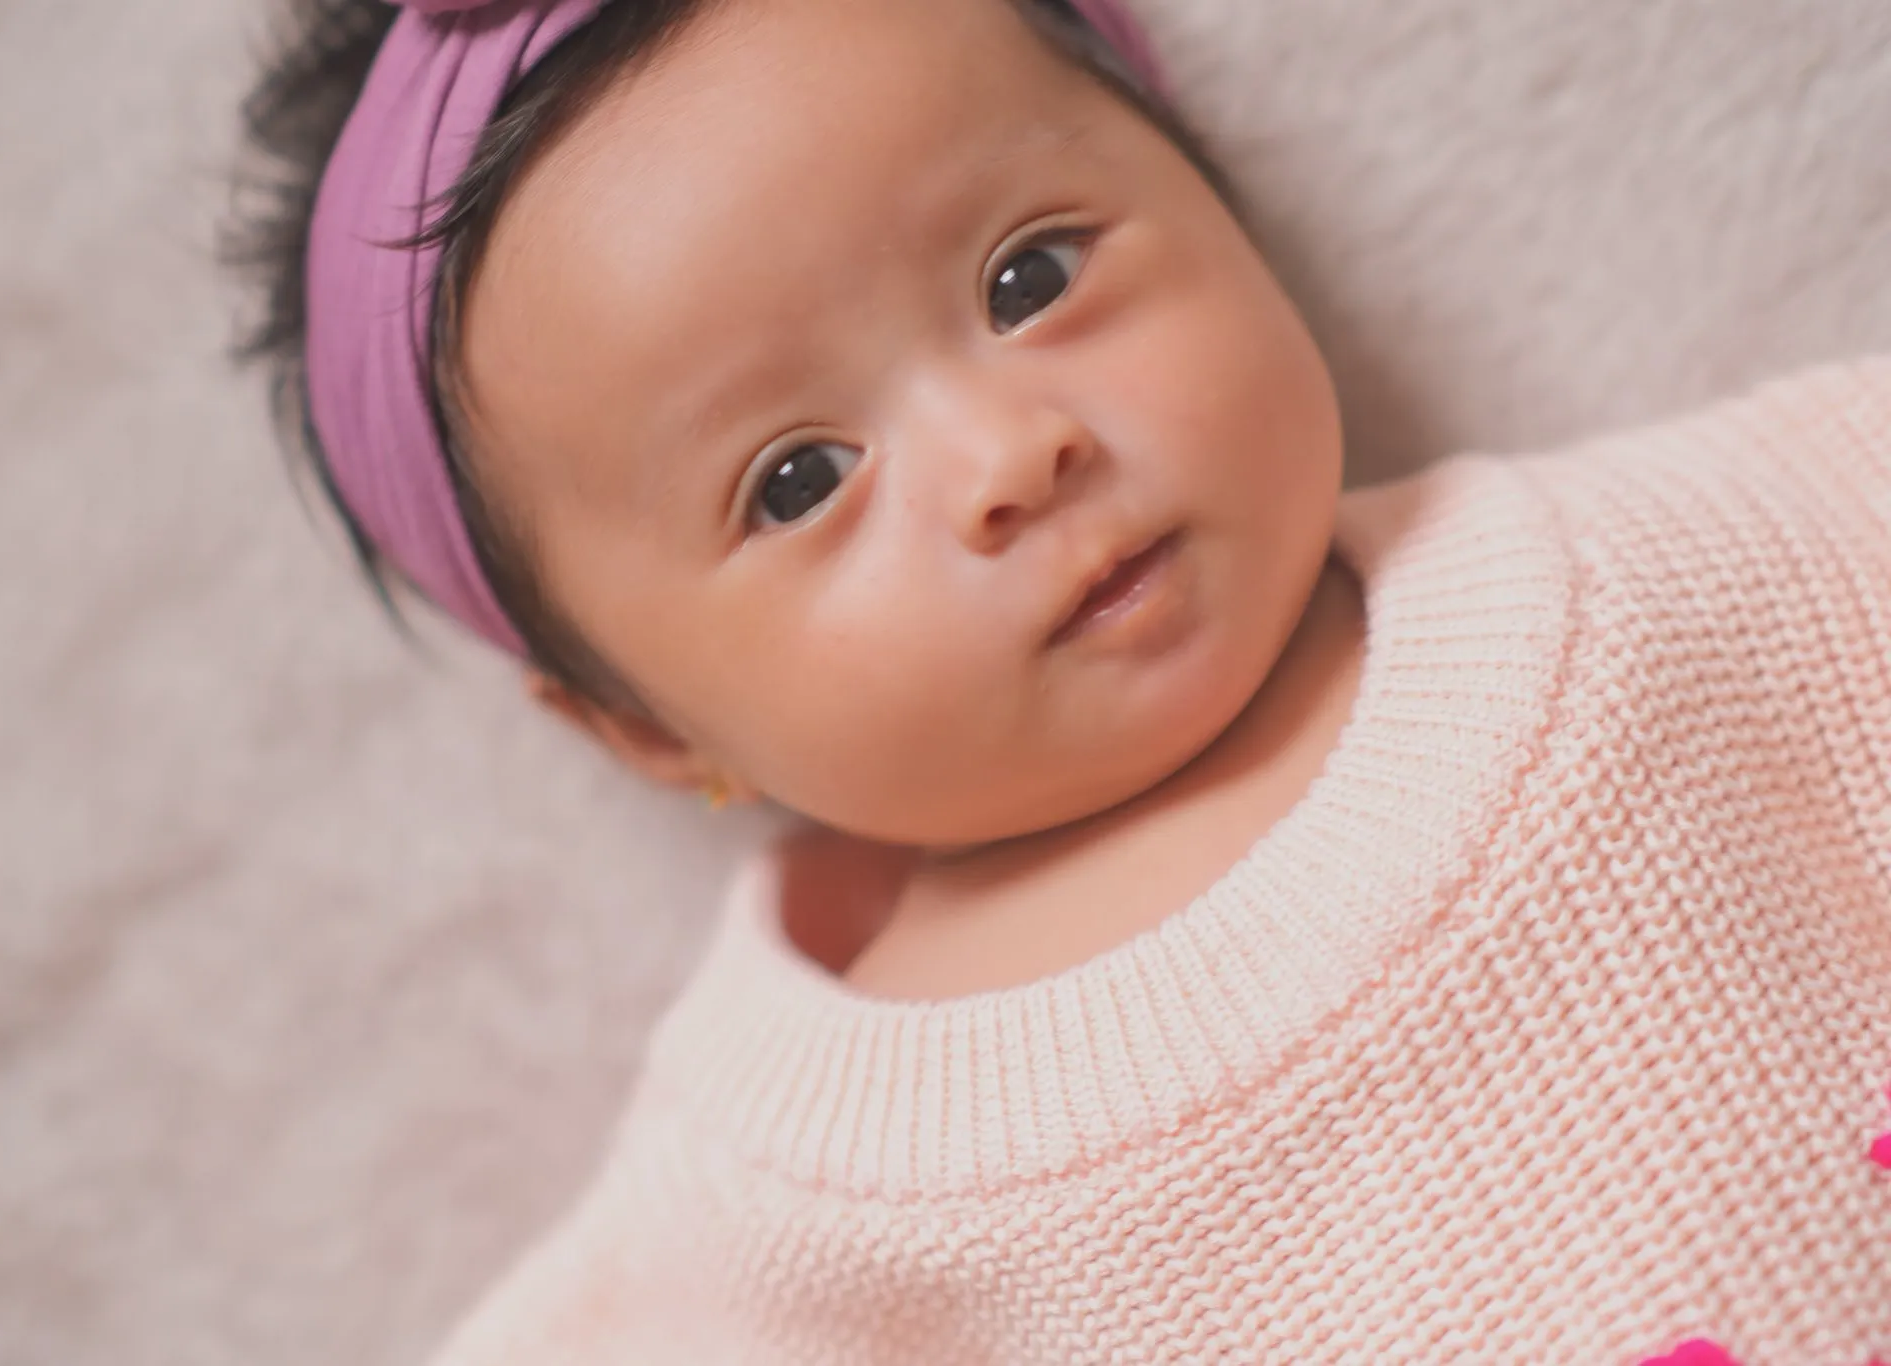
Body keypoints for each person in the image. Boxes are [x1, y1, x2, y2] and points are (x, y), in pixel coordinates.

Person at [228, 0, 1891, 1358]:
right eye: (798, 481)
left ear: (1216, 195)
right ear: (646, 725)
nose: (1009, 458)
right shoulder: (776, 1209)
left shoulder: (1702, 555)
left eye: (1031, 276)